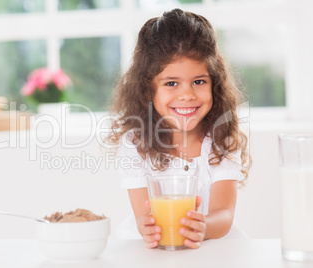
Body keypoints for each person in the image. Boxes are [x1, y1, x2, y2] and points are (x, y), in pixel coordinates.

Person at [107, 8, 251, 249]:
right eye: (171, 83)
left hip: (209, 247)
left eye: (199, 81)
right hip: (154, 250)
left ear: (214, 83)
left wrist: (203, 226)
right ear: (147, 91)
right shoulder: (136, 145)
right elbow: (144, 216)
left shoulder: (220, 140)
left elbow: (224, 213)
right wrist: (147, 227)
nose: (187, 95)